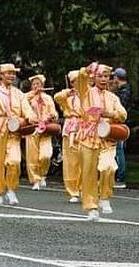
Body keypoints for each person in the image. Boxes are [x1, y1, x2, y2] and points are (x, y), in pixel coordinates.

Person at [72, 63, 128, 220]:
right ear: (94, 77)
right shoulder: (86, 92)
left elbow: (123, 115)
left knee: (108, 167)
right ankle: (91, 207)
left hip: (107, 136)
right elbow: (81, 78)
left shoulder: (113, 97)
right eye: (100, 76)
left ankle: (105, 197)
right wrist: (86, 70)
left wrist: (108, 113)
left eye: (106, 76)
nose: (104, 79)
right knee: (88, 172)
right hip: (89, 136)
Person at [0, 63, 37, 206]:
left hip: (13, 129)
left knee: (14, 161)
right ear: (1, 75)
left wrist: (32, 117)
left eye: (13, 73)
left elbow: (26, 109)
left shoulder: (18, 93)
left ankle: (11, 189)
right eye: (8, 73)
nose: (11, 76)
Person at [25, 74, 59, 190]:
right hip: (33, 129)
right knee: (32, 157)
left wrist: (51, 116)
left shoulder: (48, 98)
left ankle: (43, 174)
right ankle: (35, 180)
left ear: (43, 85)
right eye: (34, 84)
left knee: (46, 155)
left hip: (46, 129)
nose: (36, 86)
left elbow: (54, 112)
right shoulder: (28, 97)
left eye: (38, 84)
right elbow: (23, 106)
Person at [55, 70, 83, 203]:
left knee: (86, 159)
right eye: (75, 81)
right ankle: (73, 190)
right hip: (71, 125)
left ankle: (86, 187)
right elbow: (57, 97)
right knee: (71, 160)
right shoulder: (67, 97)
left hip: (85, 127)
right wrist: (67, 93)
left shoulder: (89, 94)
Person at [112, 67, 131, 189]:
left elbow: (121, 107)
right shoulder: (125, 90)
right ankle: (118, 175)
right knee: (118, 149)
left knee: (119, 149)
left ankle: (120, 176)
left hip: (120, 123)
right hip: (120, 122)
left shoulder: (124, 92)